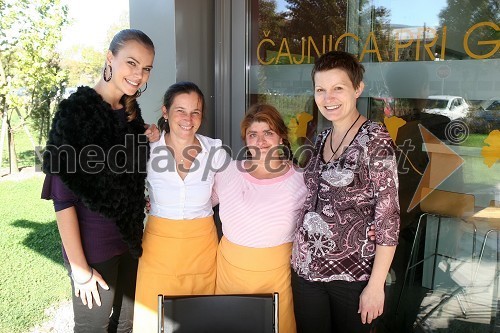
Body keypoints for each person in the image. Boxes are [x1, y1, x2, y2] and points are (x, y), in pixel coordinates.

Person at [41, 29, 158, 333]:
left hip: (130, 243)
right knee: (93, 329)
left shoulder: (129, 112)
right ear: (110, 58)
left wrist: (146, 137)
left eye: (146, 68)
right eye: (132, 63)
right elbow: (62, 199)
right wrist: (80, 270)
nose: (139, 75)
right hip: (93, 252)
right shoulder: (75, 113)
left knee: (125, 326)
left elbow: (122, 169)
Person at [291, 50, 400, 333]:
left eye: (338, 88)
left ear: (357, 89)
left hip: (352, 276)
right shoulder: (323, 137)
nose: (329, 98)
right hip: (306, 271)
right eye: (321, 90)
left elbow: (388, 216)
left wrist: (376, 286)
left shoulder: (375, 138)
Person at [132, 81, 229, 332]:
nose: (189, 119)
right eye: (180, 111)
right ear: (165, 112)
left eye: (195, 112)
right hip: (158, 249)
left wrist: (205, 201)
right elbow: (123, 185)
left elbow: (233, 187)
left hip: (202, 249)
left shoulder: (214, 150)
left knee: (198, 320)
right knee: (154, 319)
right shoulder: (148, 148)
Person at [212, 103, 308, 333]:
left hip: (277, 279)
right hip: (229, 275)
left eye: (268, 133)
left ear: (282, 138)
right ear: (245, 140)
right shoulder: (228, 172)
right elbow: (197, 204)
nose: (261, 141)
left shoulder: (302, 180)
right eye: (253, 134)